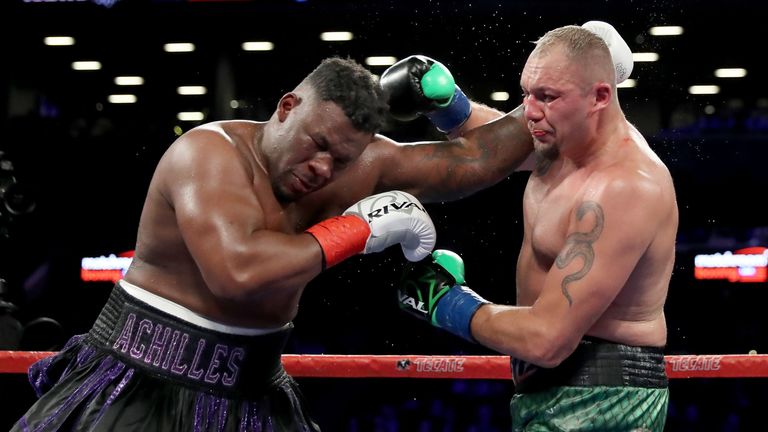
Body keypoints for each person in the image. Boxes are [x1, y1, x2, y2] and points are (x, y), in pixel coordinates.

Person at [12, 55, 533, 431]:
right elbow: (236, 272)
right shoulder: (210, 155)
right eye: (318, 145)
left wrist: (560, 91)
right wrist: (360, 230)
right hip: (142, 377)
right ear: (287, 106)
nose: (322, 169)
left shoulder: (362, 164)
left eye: (342, 159)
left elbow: (475, 160)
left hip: (253, 389)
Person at [398, 23, 675, 431]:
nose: (529, 110)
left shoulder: (622, 186)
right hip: (550, 387)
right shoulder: (562, 135)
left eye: (547, 96)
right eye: (527, 92)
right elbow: (493, 144)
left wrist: (446, 304)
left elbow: (548, 339)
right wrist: (449, 105)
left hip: (602, 398)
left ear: (600, 96)